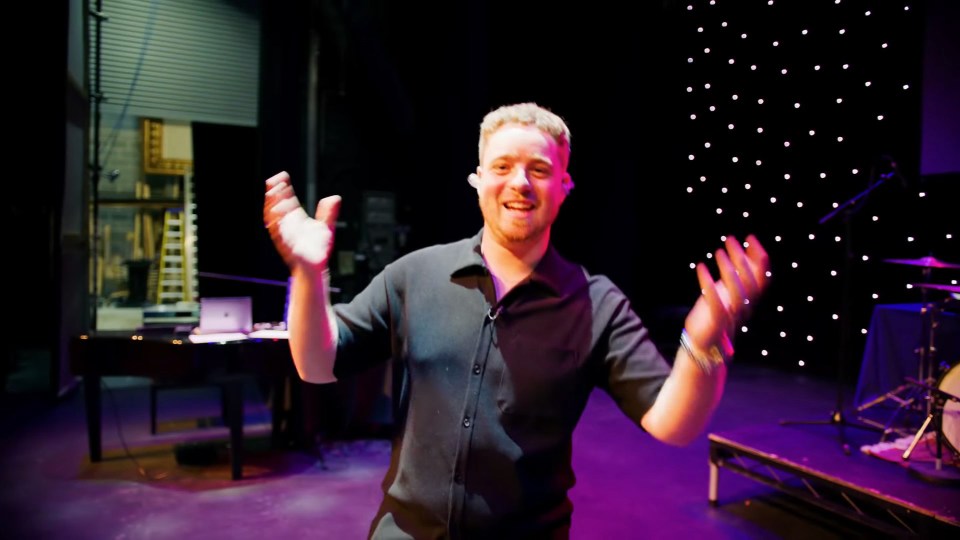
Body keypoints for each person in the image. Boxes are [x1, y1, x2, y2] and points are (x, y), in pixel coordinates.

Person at [263, 102, 771, 539]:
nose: (520, 183)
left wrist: (704, 343)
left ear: (565, 186)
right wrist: (309, 274)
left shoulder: (596, 304)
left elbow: (672, 423)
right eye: (502, 166)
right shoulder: (414, 275)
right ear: (478, 180)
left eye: (540, 170)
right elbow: (316, 363)